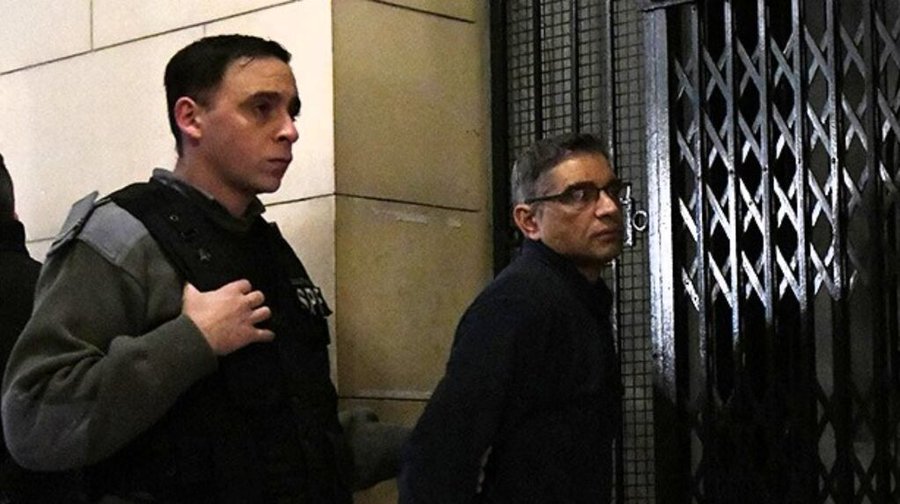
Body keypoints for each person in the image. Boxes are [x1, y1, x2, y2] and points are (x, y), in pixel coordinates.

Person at [2, 35, 401, 503]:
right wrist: (193, 339)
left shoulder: (264, 246)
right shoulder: (124, 237)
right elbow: (34, 420)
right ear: (190, 118)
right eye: (262, 109)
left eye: (292, 111)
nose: (288, 130)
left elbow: (291, 432)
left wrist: (434, 441)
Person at [398, 132, 625, 503]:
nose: (608, 208)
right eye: (578, 195)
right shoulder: (519, 303)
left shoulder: (579, 298)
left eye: (611, 190)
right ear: (529, 221)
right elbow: (438, 454)